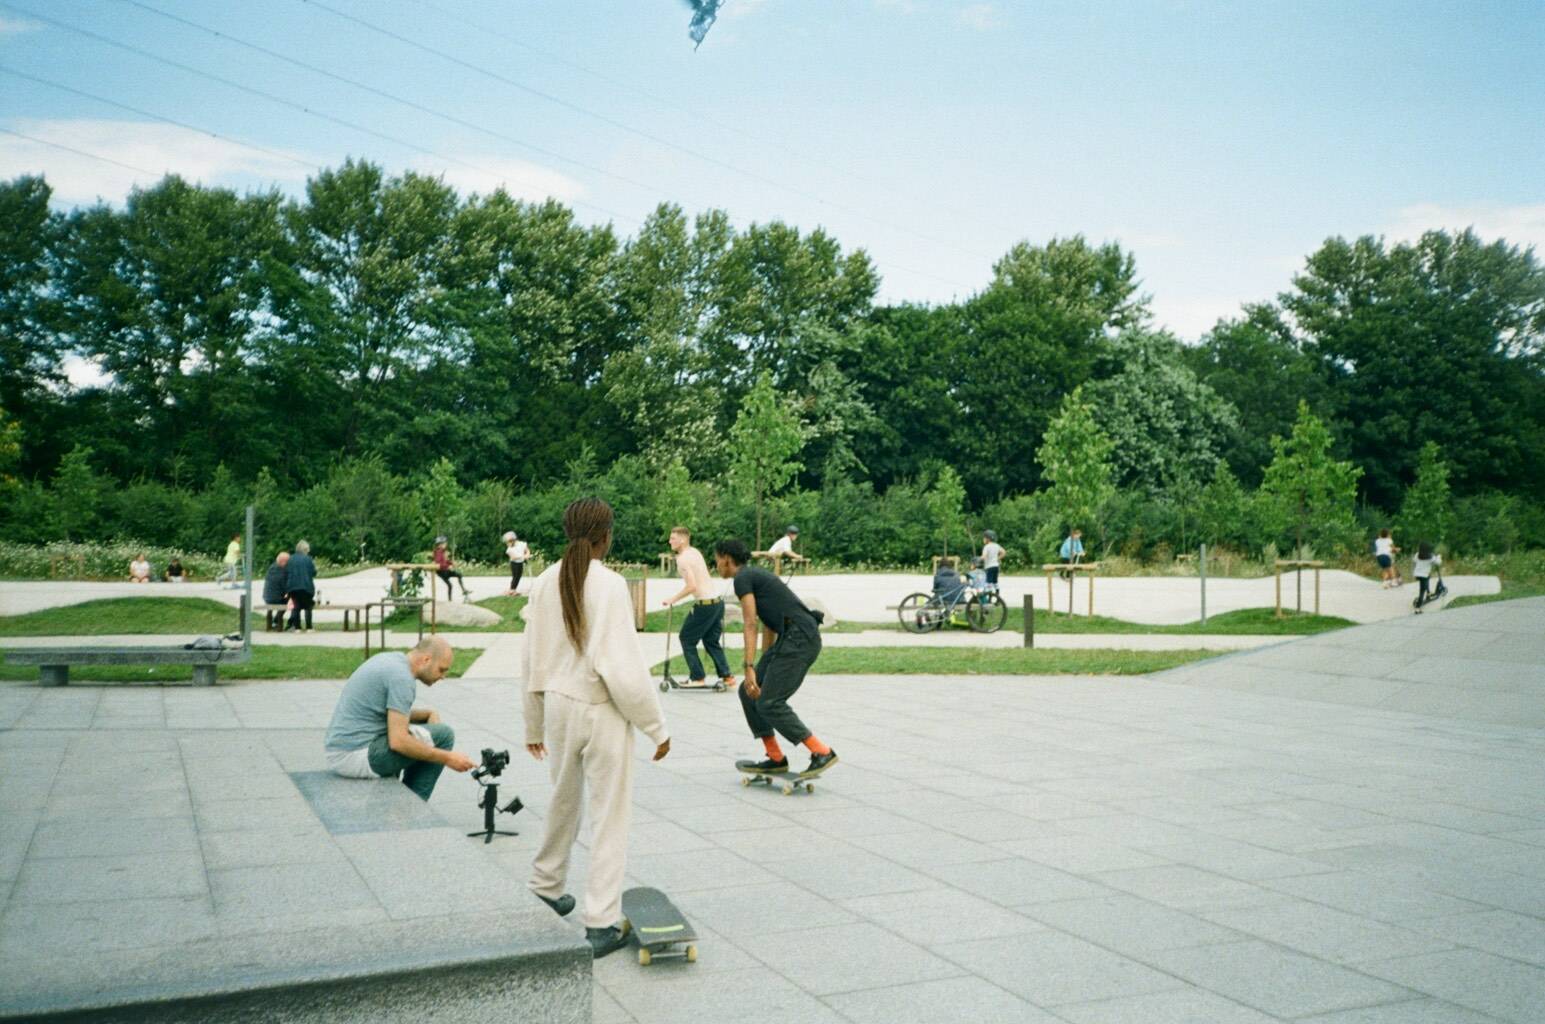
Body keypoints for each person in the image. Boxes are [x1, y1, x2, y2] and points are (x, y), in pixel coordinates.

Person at [524, 497, 670, 960]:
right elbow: (621, 667)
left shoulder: (545, 580)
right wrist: (656, 727)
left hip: (558, 709)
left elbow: (531, 658)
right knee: (610, 817)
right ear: (606, 535)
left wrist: (532, 723)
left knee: (562, 802)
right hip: (601, 709)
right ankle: (601, 921)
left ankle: (546, 886)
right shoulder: (608, 585)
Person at [713, 538, 836, 780]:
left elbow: (750, 623)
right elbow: (769, 624)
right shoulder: (755, 576)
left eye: (716, 559)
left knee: (770, 702)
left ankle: (822, 752)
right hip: (791, 637)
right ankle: (775, 757)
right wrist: (761, 668)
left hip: (800, 638)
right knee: (748, 691)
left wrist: (748, 667)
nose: (716, 565)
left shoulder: (742, 578)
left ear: (726, 558)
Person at [323, 636, 474, 800]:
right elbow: (398, 742)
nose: (443, 676)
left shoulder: (391, 660)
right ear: (426, 660)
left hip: (341, 750)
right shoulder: (402, 679)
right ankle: (412, 806)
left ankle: (401, 802)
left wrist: (428, 714)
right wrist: (448, 757)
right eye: (441, 669)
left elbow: (390, 713)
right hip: (354, 756)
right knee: (444, 735)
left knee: (421, 736)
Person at [662, 526, 735, 690]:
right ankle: (727, 676)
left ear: (682, 539)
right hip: (717, 603)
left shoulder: (682, 559)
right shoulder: (695, 552)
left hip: (705, 605)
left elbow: (692, 586)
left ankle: (697, 677)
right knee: (710, 641)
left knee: (686, 639)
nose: (669, 541)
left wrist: (672, 599)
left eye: (673, 538)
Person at [285, 540, 317, 632]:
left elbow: (287, 572)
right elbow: (314, 573)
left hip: (292, 588)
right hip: (306, 587)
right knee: (308, 606)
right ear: (305, 550)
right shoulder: (308, 559)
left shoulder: (290, 559)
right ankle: (309, 627)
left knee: (296, 606)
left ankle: (297, 627)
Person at [432, 537, 471, 602]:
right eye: (445, 543)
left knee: (457, 577)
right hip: (442, 572)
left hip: (444, 571)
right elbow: (438, 563)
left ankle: (462, 591)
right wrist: (448, 566)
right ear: (440, 545)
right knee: (452, 583)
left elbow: (444, 561)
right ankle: (451, 599)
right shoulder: (438, 552)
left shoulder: (441, 552)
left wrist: (451, 563)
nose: (446, 545)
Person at [263, 551, 290, 631]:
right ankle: (277, 622)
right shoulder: (282, 571)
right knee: (290, 600)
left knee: (282, 599)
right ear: (283, 561)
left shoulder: (271, 567)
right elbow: (284, 587)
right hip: (277, 598)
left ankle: (271, 624)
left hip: (267, 597)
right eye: (288, 562)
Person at [1412, 542, 1443, 612]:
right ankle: (1418, 608)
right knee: (1422, 591)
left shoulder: (1417, 555)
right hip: (1424, 575)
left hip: (1417, 574)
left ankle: (1428, 593)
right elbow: (1438, 562)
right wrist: (1439, 557)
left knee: (1428, 577)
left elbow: (1414, 561)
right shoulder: (1430, 557)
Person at [504, 530, 531, 595]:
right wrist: (523, 556)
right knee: (515, 576)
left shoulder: (521, 544)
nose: (508, 544)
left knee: (519, 576)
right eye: (508, 542)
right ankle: (512, 590)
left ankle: (513, 589)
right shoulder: (509, 549)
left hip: (520, 562)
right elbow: (513, 557)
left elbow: (527, 550)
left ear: (513, 540)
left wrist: (527, 554)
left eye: (509, 542)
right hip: (514, 563)